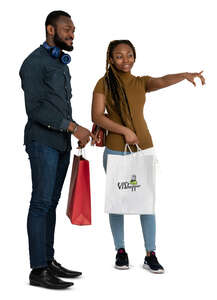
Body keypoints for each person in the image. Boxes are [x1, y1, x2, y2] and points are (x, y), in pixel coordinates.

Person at [91, 40, 205, 273]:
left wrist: (184, 75)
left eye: (129, 55)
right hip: (115, 149)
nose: (126, 60)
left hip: (144, 147)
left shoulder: (140, 82)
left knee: (146, 201)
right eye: (119, 56)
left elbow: (162, 80)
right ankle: (120, 251)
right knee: (117, 201)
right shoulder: (103, 84)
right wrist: (124, 131)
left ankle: (150, 253)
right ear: (110, 59)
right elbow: (96, 117)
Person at [19, 10, 96, 289]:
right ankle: (38, 270)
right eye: (67, 29)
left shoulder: (61, 64)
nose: (72, 34)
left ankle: (48, 260)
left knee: (50, 203)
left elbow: (58, 106)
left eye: (73, 30)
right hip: (42, 143)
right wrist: (74, 127)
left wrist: (73, 130)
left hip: (61, 143)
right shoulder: (34, 63)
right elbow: (36, 109)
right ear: (51, 30)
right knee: (40, 203)